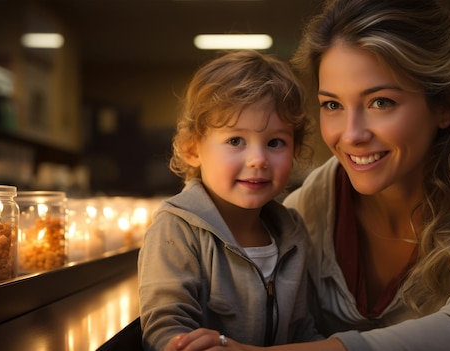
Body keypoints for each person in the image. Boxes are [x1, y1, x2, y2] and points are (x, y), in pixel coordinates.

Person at [168, 0, 450, 350]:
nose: (351, 135)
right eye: (333, 104)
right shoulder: (304, 210)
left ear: (446, 105)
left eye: (380, 102)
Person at [137, 50, 323, 351]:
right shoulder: (176, 229)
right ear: (192, 148)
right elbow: (165, 328)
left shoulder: (293, 231)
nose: (258, 160)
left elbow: (302, 330)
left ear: (296, 151)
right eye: (236, 140)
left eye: (276, 142)